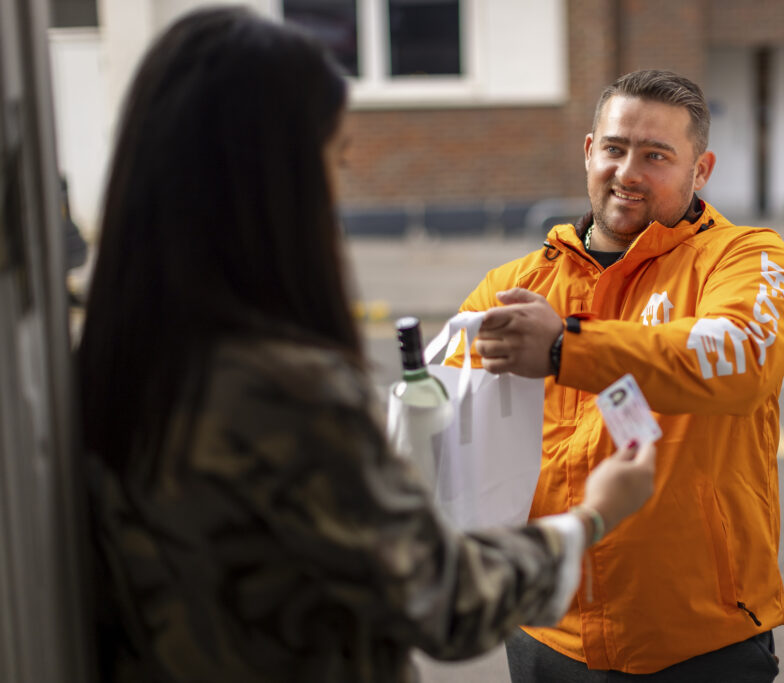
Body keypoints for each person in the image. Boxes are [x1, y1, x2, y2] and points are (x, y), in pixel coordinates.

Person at [76, 7, 656, 682]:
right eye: (335, 156)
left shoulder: (120, 360)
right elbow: (446, 601)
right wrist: (594, 515)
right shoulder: (286, 389)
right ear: (273, 176)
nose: (336, 185)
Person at [459, 69, 784, 681]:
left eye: (657, 156)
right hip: (546, 628)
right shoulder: (514, 284)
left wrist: (566, 348)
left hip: (700, 637)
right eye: (616, 149)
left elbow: (740, 356)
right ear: (590, 151)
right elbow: (456, 429)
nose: (628, 172)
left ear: (700, 171)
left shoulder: (747, 256)